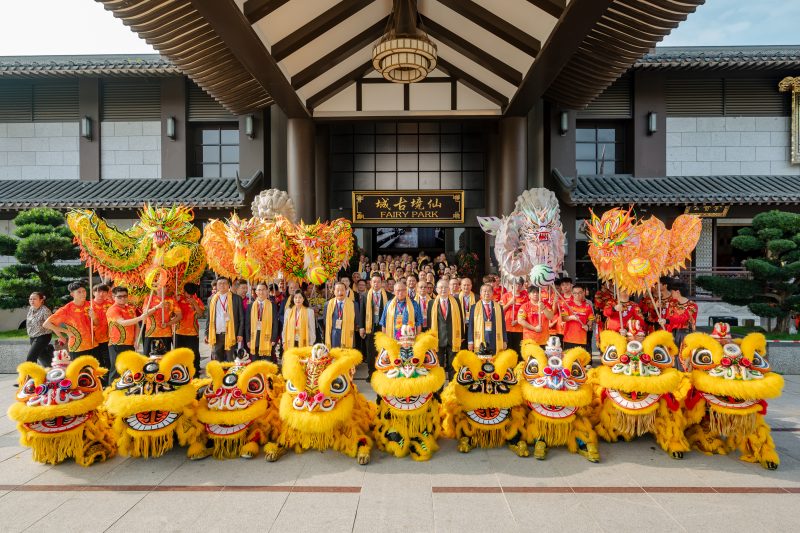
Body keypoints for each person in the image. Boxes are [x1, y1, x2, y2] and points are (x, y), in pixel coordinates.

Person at [106, 286, 163, 382]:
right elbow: (123, 323)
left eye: (125, 296)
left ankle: (126, 386)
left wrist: (136, 339)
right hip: (117, 344)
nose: (123, 298)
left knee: (129, 368)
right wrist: (140, 318)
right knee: (117, 369)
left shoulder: (130, 308)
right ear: (113, 297)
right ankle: (112, 388)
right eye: (119, 296)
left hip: (130, 343)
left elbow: (136, 325)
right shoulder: (113, 310)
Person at [44, 281, 98, 357]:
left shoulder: (90, 305)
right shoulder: (66, 309)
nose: (83, 294)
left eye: (84, 291)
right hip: (77, 347)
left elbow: (96, 323)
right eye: (79, 292)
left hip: (93, 344)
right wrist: (66, 332)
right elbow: (46, 324)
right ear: (72, 294)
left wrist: (94, 317)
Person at [427, 279, 462, 379]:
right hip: (438, 339)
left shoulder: (456, 301)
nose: (443, 289)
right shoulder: (431, 303)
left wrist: (461, 336)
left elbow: (461, 319)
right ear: (437, 289)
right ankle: (439, 388)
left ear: (449, 289)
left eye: (446, 287)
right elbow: (430, 322)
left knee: (453, 365)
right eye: (441, 287)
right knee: (439, 365)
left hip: (453, 338)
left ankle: (452, 386)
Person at [204, 277, 245, 362]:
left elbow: (241, 318)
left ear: (228, 285)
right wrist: (206, 333)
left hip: (231, 334)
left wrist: (240, 333)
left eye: (224, 283)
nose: (222, 285)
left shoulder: (236, 298)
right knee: (217, 360)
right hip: (216, 335)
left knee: (231, 360)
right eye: (220, 283)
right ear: (217, 285)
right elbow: (209, 318)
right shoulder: (211, 299)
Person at [362, 274, 389, 379]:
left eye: (378, 282)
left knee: (382, 350)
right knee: (370, 351)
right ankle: (371, 373)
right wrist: (361, 327)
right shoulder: (365, 296)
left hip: (383, 327)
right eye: (374, 282)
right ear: (370, 283)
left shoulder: (388, 296)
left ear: (381, 283)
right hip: (370, 327)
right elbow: (362, 312)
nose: (376, 284)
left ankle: (382, 372)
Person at [468, 283, 507, 354]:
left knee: (494, 359)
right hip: (480, 339)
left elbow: (503, 325)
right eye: (484, 291)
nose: (487, 293)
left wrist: (504, 340)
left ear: (492, 293)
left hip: (495, 340)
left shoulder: (499, 307)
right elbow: (471, 325)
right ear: (480, 293)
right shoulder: (474, 307)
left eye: (489, 291)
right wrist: (470, 341)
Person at [246, 282, 280, 362]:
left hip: (267, 338)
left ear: (267, 291)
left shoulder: (272, 305)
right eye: (259, 290)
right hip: (254, 337)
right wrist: (248, 340)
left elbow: (275, 323)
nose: (261, 292)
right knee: (255, 362)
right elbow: (247, 324)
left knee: (267, 362)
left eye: (263, 290)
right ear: (256, 292)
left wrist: (274, 339)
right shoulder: (251, 305)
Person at [175, 283, 205, 372]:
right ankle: (180, 368)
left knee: (193, 351)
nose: (188, 295)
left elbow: (200, 314)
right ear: (184, 291)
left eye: (190, 294)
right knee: (179, 352)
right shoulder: (179, 298)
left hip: (192, 331)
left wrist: (194, 303)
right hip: (179, 330)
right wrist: (176, 301)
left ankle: (195, 368)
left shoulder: (197, 300)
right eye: (187, 293)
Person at [661, 281, 697, 351]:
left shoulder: (692, 305)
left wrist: (667, 321)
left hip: (685, 334)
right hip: (671, 333)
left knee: (683, 354)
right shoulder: (672, 303)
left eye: (672, 292)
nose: (671, 293)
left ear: (677, 292)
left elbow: (683, 318)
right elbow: (668, 316)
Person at [144, 289, 181, 356]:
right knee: (149, 358)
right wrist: (157, 307)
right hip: (151, 333)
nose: (161, 289)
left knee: (164, 359)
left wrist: (167, 324)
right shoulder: (149, 298)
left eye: (164, 286)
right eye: (159, 286)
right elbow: (145, 314)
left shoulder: (171, 300)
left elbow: (179, 316)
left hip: (165, 334)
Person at [324, 282, 360, 349]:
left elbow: (357, 321)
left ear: (346, 291)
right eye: (338, 290)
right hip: (334, 335)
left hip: (348, 334)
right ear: (334, 291)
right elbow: (325, 321)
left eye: (342, 290)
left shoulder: (354, 304)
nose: (340, 292)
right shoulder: (328, 304)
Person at [561, 286, 595, 350]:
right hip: (569, 339)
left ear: (583, 293)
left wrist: (588, 326)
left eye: (580, 293)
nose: (577, 295)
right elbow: (563, 318)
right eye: (575, 293)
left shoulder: (588, 306)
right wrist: (571, 317)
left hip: (582, 339)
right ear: (572, 293)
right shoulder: (567, 304)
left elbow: (590, 320)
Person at [90, 284, 112, 377]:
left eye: (104, 292)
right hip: (93, 338)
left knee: (109, 361)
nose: (101, 294)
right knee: (97, 362)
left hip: (108, 338)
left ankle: (109, 380)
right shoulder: (88, 305)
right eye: (98, 291)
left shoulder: (110, 304)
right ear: (93, 292)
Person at [25, 292, 52, 366]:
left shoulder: (45, 311)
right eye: (30, 299)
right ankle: (54, 370)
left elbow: (51, 325)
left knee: (31, 358)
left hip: (43, 336)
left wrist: (60, 335)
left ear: (41, 300)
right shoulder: (31, 308)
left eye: (34, 299)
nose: (32, 301)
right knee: (43, 357)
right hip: (32, 336)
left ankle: (30, 373)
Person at [501, 279, 528, 353]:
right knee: (508, 349)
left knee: (518, 350)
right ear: (512, 284)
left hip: (519, 328)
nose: (517, 285)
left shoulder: (525, 297)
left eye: (519, 284)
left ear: (522, 285)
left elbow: (527, 312)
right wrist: (509, 303)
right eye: (516, 283)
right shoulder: (505, 296)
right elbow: (500, 311)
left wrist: (517, 321)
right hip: (507, 327)